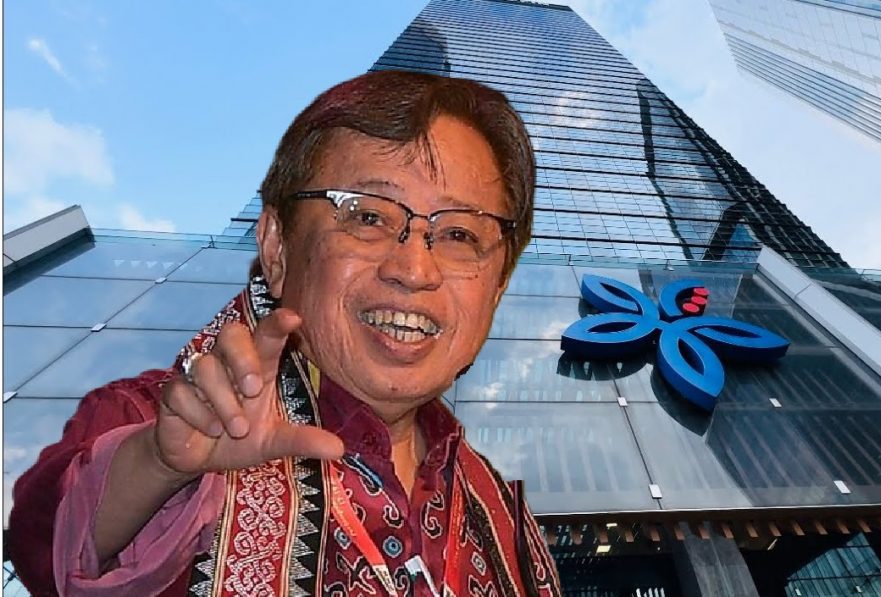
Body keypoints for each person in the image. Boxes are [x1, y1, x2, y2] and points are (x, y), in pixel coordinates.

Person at [9, 70, 562, 597]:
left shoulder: (501, 516)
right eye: (368, 217)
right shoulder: (162, 422)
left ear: (497, 289)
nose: (414, 270)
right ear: (276, 248)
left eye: (460, 234)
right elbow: (53, 545)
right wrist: (158, 468)